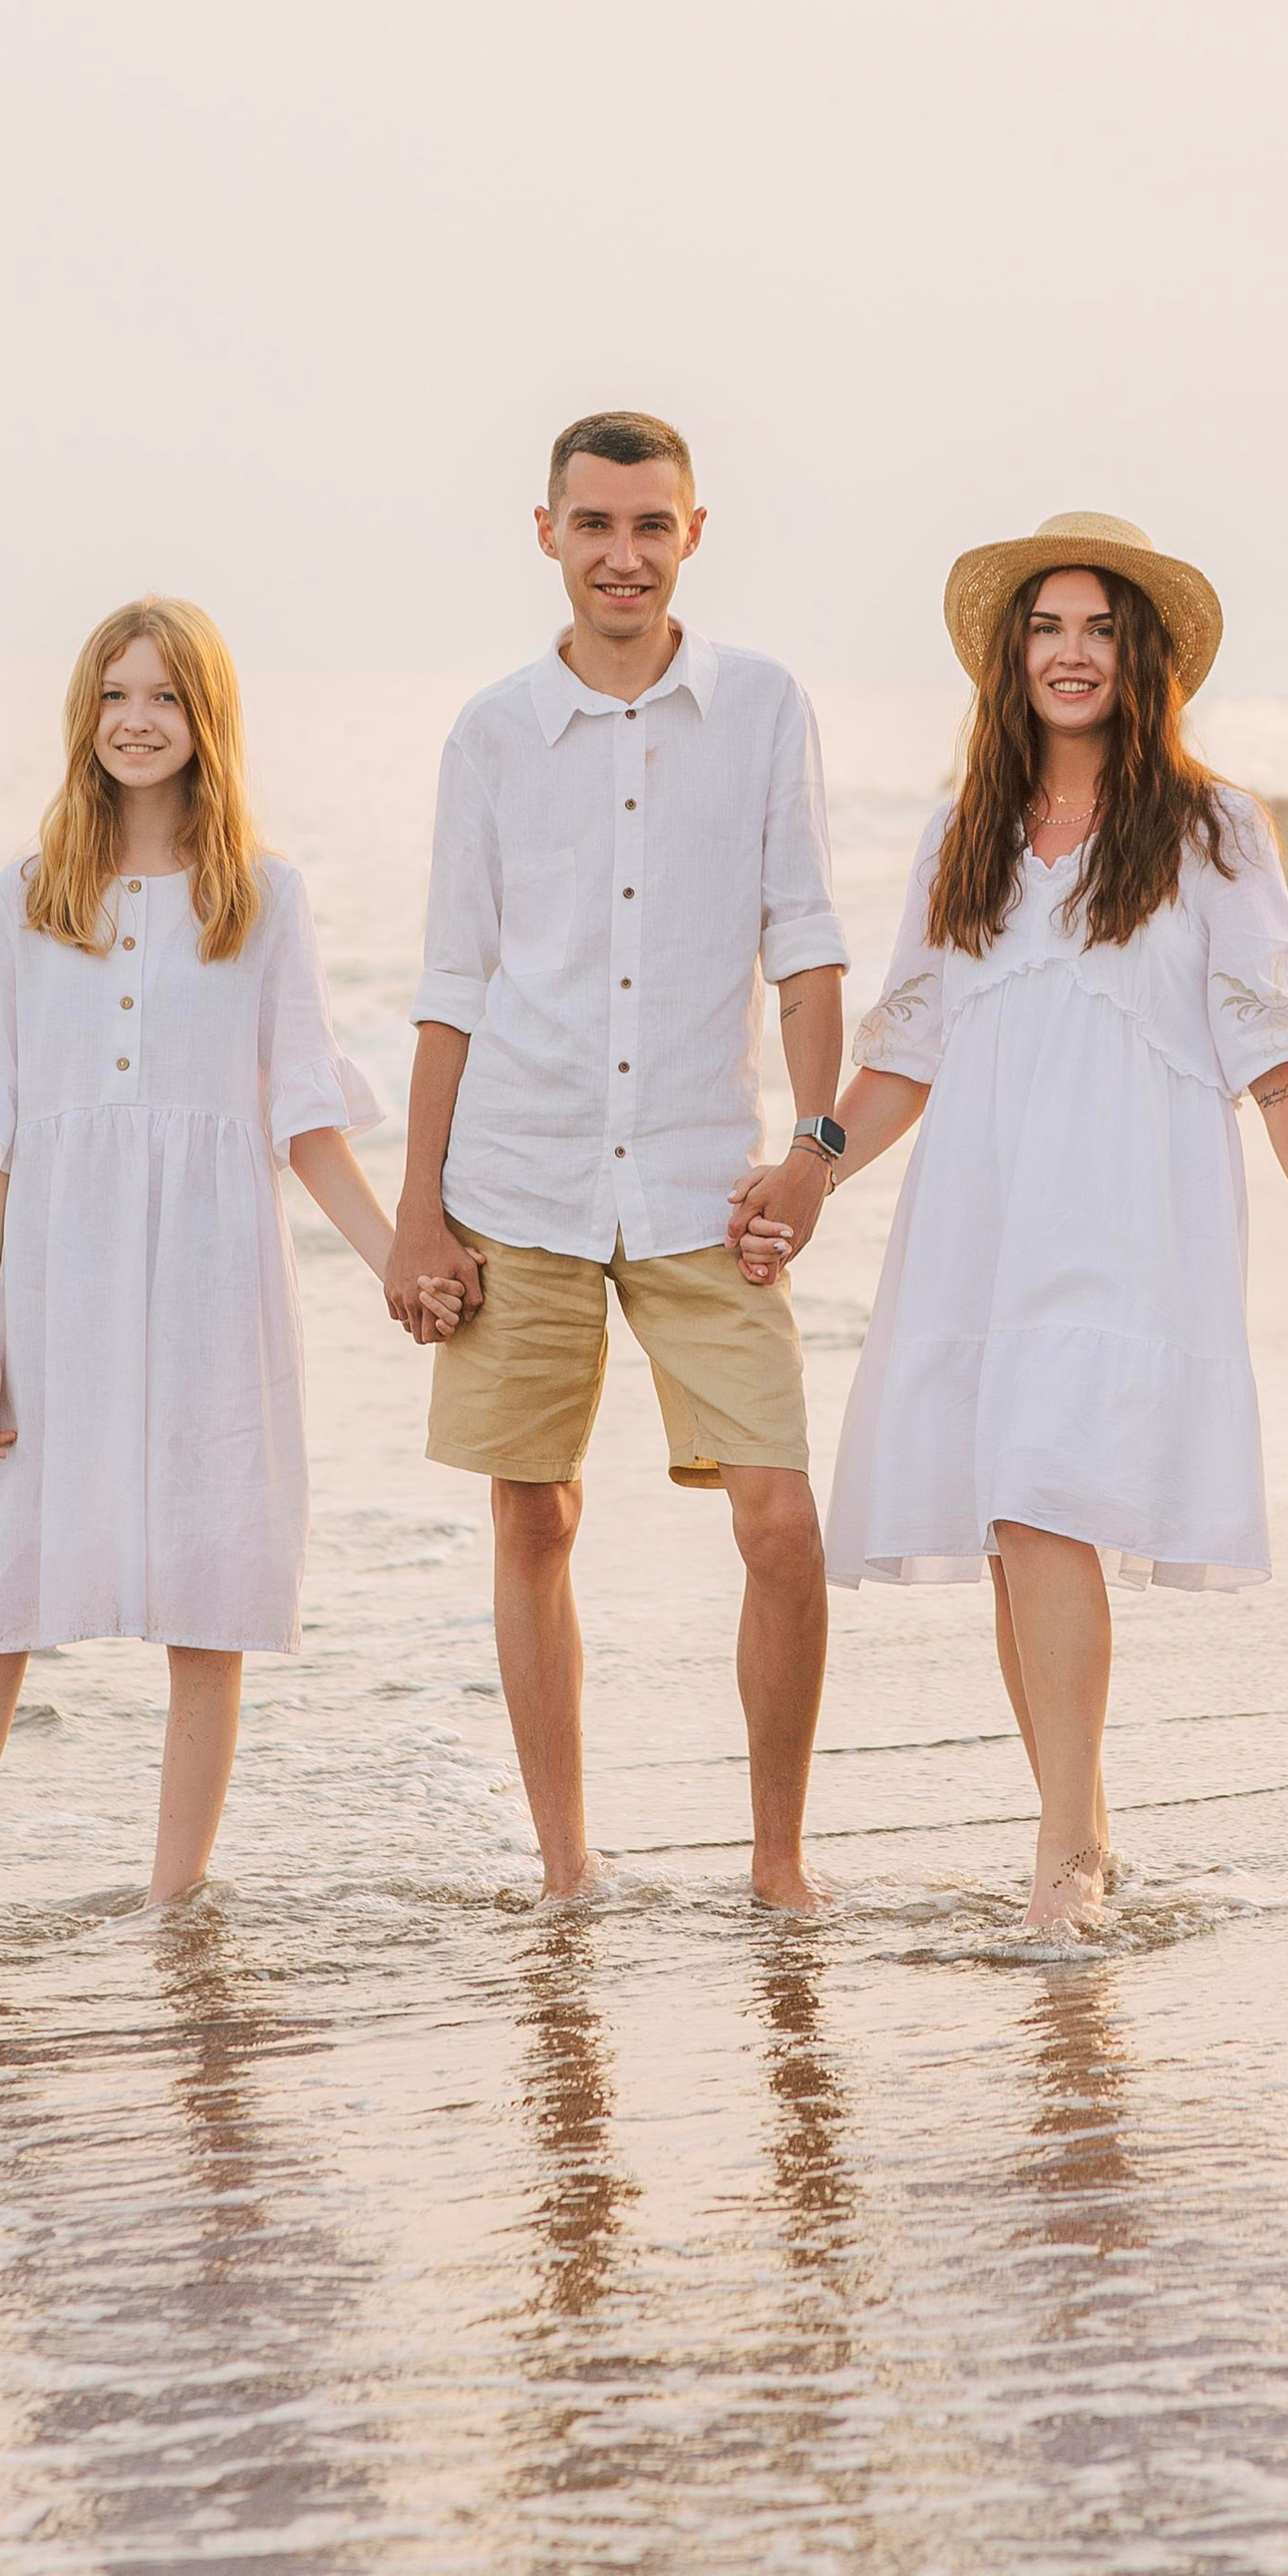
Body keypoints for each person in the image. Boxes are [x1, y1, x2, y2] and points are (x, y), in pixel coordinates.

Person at [776, 511, 1288, 1936]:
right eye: (1046, 628)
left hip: (1129, 1214)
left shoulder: (1213, 827)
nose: (1071, 653)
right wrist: (807, 1169)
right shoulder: (959, 833)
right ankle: (1078, 1823)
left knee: (1045, 1496)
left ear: (1144, 654)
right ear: (1010, 655)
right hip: (982, 1219)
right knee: (1010, 1518)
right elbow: (907, 1056)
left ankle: (1067, 1852)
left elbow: (1272, 1051)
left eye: (1099, 628)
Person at [0, 597, 413, 1923]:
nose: (138, 718)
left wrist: (404, 1261)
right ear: (85, 714)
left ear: (207, 721)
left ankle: (177, 1907)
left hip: (209, 1290)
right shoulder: (23, 899)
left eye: (166, 696)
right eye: (117, 694)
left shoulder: (266, 899)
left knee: (206, 1597)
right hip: (56, 1290)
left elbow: (305, 1123)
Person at [390, 410, 848, 1913]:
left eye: (651, 526)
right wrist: (415, 1218)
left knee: (780, 1520)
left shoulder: (767, 708)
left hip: (705, 1180)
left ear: (693, 536)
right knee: (537, 1510)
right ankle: (566, 1866)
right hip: (515, 1177)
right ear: (548, 535)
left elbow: (808, 944)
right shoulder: (492, 731)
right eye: (594, 525)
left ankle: (777, 1865)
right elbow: (455, 981)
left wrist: (815, 1150)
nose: (623, 554)